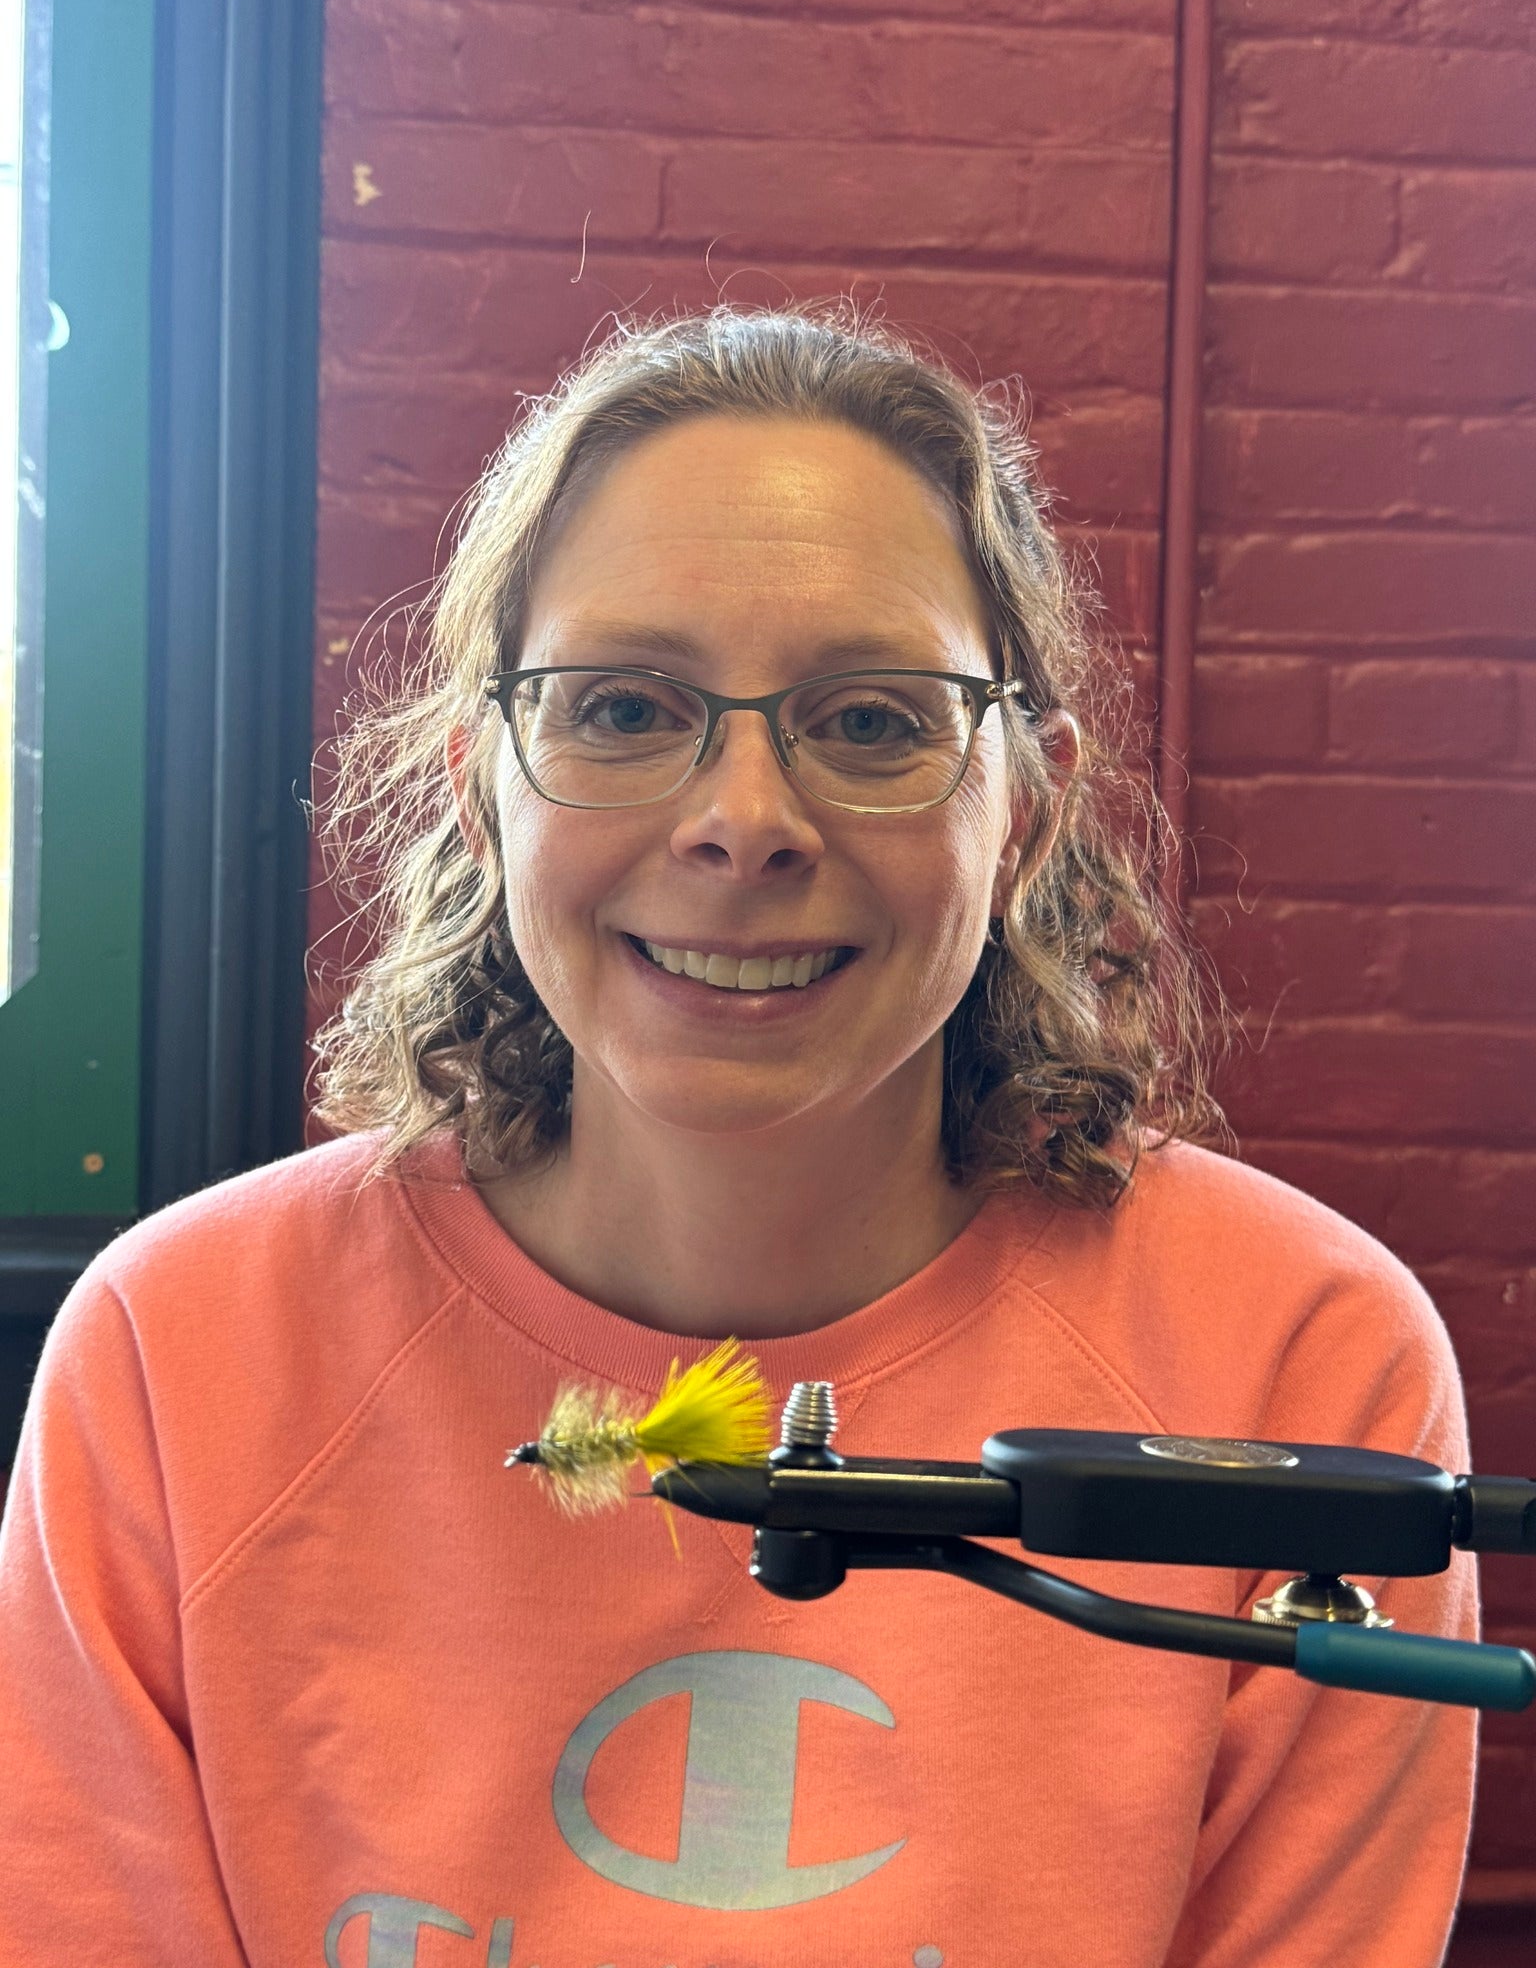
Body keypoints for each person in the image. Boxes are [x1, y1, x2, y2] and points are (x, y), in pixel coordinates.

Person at [0, 305, 1478, 1966]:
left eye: (873, 720)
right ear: (483, 789)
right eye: (626, 709)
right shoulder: (187, 1356)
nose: (745, 824)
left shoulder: (1293, 1360)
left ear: (1027, 807)